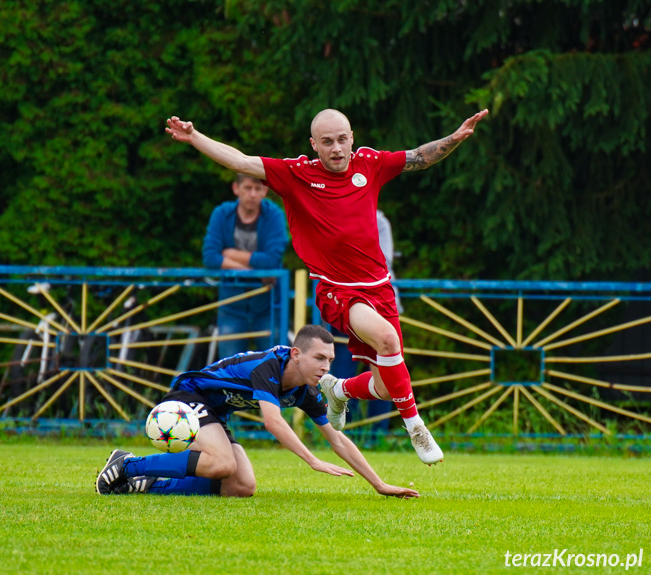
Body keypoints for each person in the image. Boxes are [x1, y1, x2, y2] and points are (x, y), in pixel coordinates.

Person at [166, 107, 489, 465]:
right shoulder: (297, 173)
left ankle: (338, 389)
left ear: (352, 138)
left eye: (342, 139)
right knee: (388, 339)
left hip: (380, 287)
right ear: (314, 145)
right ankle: (415, 426)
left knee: (384, 386)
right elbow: (241, 160)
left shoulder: (370, 163)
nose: (336, 148)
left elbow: (418, 158)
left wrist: (455, 138)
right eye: (327, 142)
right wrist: (195, 136)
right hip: (338, 289)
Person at [96, 324, 419, 498]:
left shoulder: (306, 389)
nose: (325, 367)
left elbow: (338, 440)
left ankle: (150, 484)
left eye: (330, 361)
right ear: (296, 354)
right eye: (319, 358)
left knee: (241, 487)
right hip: (187, 398)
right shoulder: (268, 366)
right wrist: (312, 460)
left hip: (214, 414)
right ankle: (129, 466)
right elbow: (272, 421)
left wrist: (379, 484)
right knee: (221, 464)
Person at [203, 173, 288, 358]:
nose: (252, 194)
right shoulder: (222, 214)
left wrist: (230, 254)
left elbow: (272, 261)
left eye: (258, 189)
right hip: (232, 305)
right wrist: (253, 272)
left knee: (275, 369)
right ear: (236, 189)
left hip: (269, 306)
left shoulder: (274, 215)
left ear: (265, 191)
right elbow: (210, 258)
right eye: (247, 188)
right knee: (230, 371)